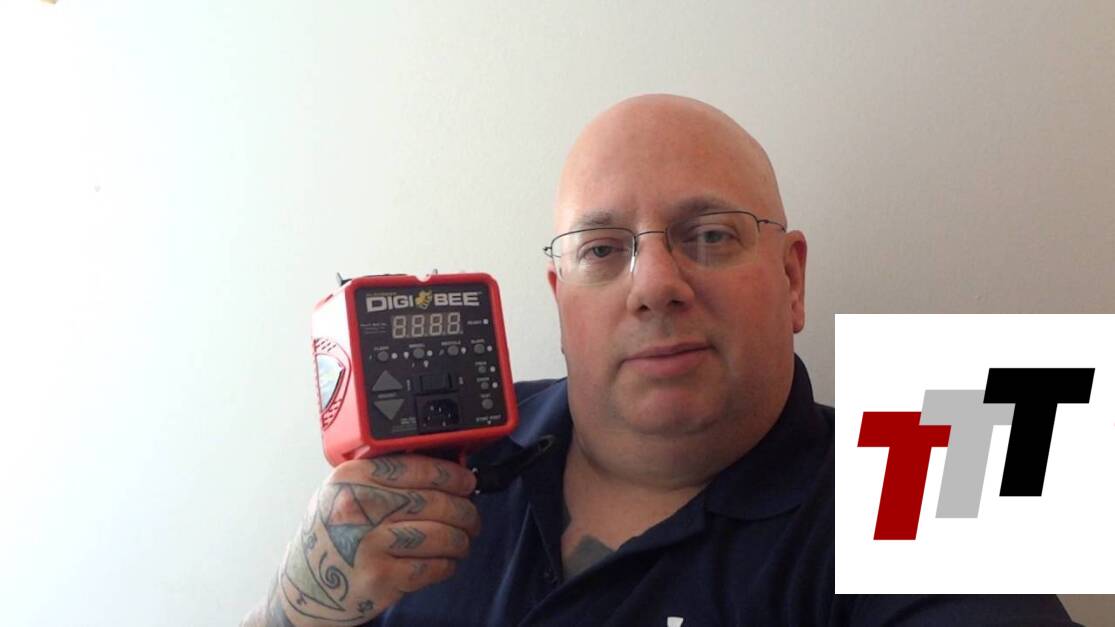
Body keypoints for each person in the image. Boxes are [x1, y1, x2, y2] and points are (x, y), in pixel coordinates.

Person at [243, 94, 1078, 626]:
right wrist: (295, 606)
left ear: (791, 279)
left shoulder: (933, 459)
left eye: (709, 235)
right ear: (559, 300)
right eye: (602, 250)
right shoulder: (438, 456)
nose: (653, 286)